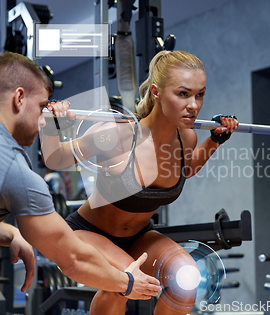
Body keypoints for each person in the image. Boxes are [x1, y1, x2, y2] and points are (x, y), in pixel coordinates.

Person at [0, 52, 161, 315]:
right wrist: (128, 282)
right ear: (19, 98)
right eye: (41, 108)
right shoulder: (8, 161)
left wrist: (12, 233)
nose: (42, 121)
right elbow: (72, 259)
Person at [41, 50, 239, 314]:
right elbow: (56, 157)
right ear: (156, 92)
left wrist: (214, 140)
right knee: (127, 280)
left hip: (139, 236)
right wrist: (51, 124)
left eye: (199, 94)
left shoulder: (187, 138)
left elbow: (187, 169)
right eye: (183, 94)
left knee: (187, 274)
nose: (193, 105)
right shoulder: (118, 135)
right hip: (88, 233)